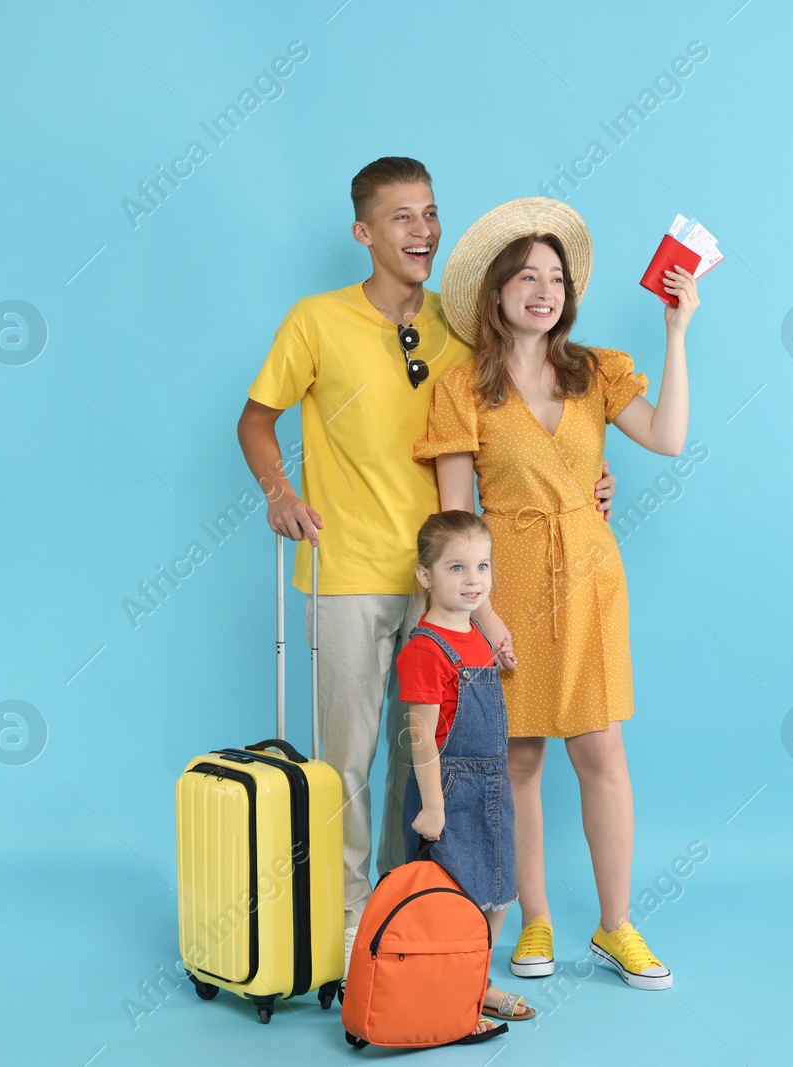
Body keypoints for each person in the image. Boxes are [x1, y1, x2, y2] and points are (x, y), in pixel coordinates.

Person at [237, 160, 618, 973]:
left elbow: (521, 405)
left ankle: (408, 903)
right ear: (364, 233)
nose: (422, 232)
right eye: (402, 217)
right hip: (347, 570)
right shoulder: (315, 320)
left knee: (437, 758)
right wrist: (278, 489)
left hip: (451, 588)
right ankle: (347, 923)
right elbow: (256, 419)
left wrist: (584, 478)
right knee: (348, 756)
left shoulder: (462, 322)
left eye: (432, 214)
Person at [415, 197, 699, 990]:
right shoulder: (461, 388)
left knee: (601, 750)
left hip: (591, 581)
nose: (544, 289)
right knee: (519, 758)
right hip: (503, 583)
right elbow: (457, 516)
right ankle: (534, 915)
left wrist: (677, 333)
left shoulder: (596, 370)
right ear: (496, 291)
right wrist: (485, 611)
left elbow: (669, 436)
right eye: (526, 276)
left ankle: (616, 925)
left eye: (556, 277)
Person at [400, 510, 535, 1034]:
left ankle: (472, 981)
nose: (474, 578)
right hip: (450, 792)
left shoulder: (477, 634)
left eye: (482, 565)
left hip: (492, 788)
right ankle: (450, 998)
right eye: (456, 568)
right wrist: (433, 807)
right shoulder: (425, 649)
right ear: (426, 576)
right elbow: (420, 736)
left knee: (498, 893)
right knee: (455, 901)